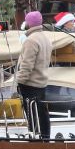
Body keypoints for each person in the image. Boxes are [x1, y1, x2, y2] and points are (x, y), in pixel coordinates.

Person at [16, 10, 55, 139]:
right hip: (41, 83)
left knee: (32, 114)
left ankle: (36, 139)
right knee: (42, 113)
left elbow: (27, 65)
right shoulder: (45, 39)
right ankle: (45, 138)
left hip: (30, 84)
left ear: (29, 23)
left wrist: (20, 81)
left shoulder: (31, 41)